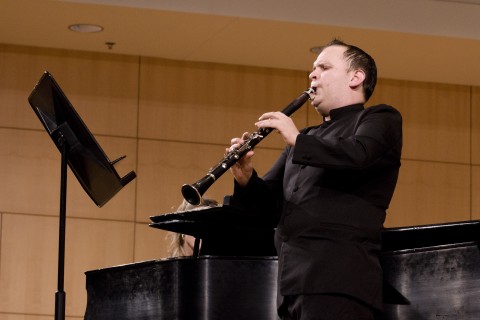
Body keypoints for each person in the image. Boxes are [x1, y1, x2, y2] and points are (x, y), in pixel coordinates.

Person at [228, 39, 402, 320]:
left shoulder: (380, 118)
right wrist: (245, 175)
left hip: (339, 283)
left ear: (356, 77)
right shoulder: (305, 138)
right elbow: (268, 209)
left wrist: (296, 140)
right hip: (291, 287)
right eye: (312, 68)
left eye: (324, 67)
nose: (312, 74)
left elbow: (358, 155)